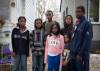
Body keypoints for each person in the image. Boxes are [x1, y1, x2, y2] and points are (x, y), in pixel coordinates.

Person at [69, 6, 93, 71]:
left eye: (79, 12)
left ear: (83, 13)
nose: (77, 13)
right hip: (73, 54)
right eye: (76, 12)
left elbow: (87, 41)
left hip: (80, 55)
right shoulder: (76, 24)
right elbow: (73, 39)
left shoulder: (87, 24)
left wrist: (80, 54)